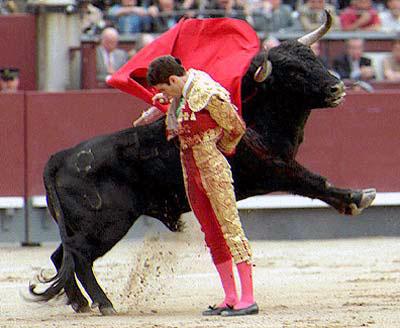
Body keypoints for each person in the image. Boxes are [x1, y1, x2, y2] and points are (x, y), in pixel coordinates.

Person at [146, 55, 258, 317]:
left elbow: (236, 127)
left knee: (230, 228)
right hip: (191, 173)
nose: (164, 94)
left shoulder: (208, 93)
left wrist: (221, 149)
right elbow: (181, 108)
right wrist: (166, 102)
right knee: (211, 233)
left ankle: (248, 298)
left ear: (173, 79)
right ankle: (230, 296)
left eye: (164, 88)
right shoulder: (183, 95)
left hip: (213, 170)